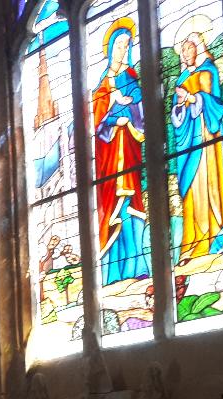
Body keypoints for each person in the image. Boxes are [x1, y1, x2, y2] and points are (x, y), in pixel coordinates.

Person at [170, 15, 223, 265]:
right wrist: (180, 106)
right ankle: (194, 242)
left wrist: (192, 99)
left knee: (207, 185)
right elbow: (176, 119)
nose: (185, 54)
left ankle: (213, 237)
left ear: (198, 49)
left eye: (189, 49)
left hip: (206, 140)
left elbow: (214, 105)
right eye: (183, 51)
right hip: (187, 144)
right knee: (190, 191)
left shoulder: (208, 71)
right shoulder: (179, 80)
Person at [92, 19, 150, 286]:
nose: (123, 50)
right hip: (110, 160)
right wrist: (115, 118)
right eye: (119, 46)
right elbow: (97, 125)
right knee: (115, 210)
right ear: (110, 49)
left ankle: (138, 265)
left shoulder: (132, 78)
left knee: (133, 208)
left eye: (127, 46)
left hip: (130, 150)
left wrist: (129, 108)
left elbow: (141, 109)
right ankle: (114, 273)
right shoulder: (103, 87)